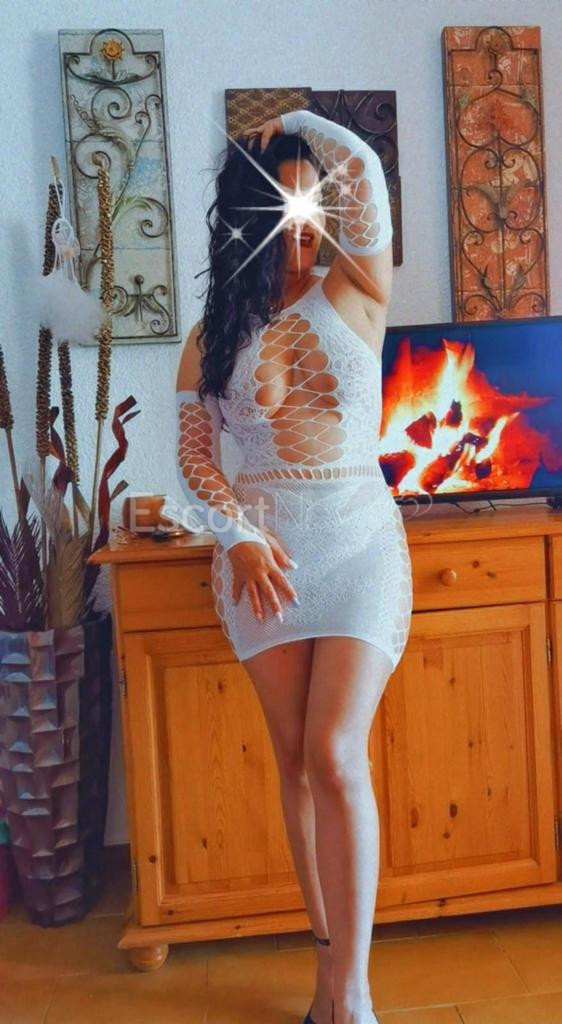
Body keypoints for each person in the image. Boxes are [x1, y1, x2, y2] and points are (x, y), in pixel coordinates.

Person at [174, 108, 413, 1024]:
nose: (303, 223)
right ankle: (326, 971)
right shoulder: (214, 333)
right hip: (262, 559)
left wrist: (302, 123)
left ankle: (353, 993)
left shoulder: (360, 286)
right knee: (295, 762)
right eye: (284, 206)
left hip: (359, 545)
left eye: (312, 204)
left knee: (333, 753)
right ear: (250, 216)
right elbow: (196, 455)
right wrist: (234, 533)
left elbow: (368, 181)